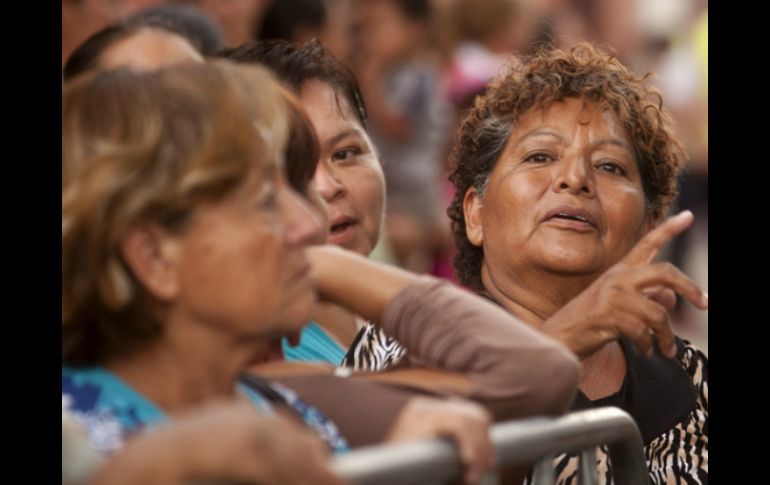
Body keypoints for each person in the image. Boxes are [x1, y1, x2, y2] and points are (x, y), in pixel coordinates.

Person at [62, 61, 579, 484]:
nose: (308, 220)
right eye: (265, 201)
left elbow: (538, 372)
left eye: (349, 152)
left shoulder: (281, 408)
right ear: (154, 258)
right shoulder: (78, 435)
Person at [447, 43, 708, 483]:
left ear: (647, 226)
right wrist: (562, 342)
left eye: (610, 166)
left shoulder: (696, 381)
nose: (575, 179)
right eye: (540, 156)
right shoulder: (413, 347)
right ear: (476, 213)